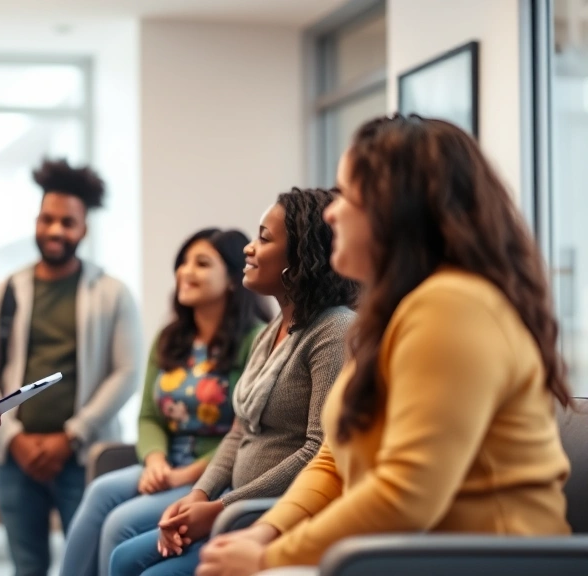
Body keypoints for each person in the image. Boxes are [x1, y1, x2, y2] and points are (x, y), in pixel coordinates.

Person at [196, 115, 573, 576]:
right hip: (403, 555)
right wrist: (266, 530)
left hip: (480, 563)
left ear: (396, 213)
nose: (331, 213)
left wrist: (270, 558)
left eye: (348, 197)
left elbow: (405, 493)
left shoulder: (452, 306)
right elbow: (334, 458)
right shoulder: (392, 314)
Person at [109, 188, 359, 576]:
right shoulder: (275, 329)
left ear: (298, 258)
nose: (248, 248)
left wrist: (220, 509)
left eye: (264, 238)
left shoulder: (334, 329)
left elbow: (317, 450)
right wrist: (198, 495)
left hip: (267, 514)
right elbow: (239, 430)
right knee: (122, 558)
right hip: (231, 503)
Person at [59, 228, 273, 576]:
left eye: (202, 263)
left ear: (234, 279)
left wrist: (184, 475)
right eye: (183, 262)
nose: (185, 272)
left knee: (120, 523)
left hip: (214, 476)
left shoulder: (257, 341)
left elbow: (248, 433)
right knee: (100, 491)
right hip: (165, 465)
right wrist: (156, 462)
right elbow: (148, 416)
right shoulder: (170, 338)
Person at [0, 158, 143, 576]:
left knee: (86, 567)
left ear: (83, 228)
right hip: (16, 458)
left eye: (67, 222)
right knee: (27, 567)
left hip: (83, 458)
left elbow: (127, 373)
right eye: (48, 219)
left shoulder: (112, 293)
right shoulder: (4, 292)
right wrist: (15, 438)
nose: (55, 230)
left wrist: (72, 435)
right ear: (36, 220)